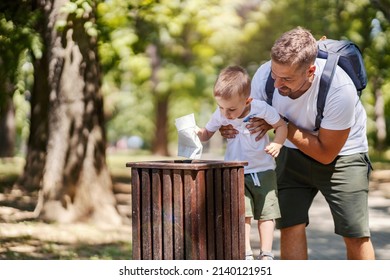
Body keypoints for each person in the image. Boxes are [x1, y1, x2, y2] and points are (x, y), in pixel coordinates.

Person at [220, 27, 375, 260]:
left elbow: (325, 153)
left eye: (287, 79)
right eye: (275, 74)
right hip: (291, 154)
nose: (278, 84)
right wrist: (228, 124)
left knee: (354, 233)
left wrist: (279, 124)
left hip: (343, 155)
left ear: (310, 71)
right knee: (290, 223)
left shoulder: (340, 90)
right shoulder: (264, 77)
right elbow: (248, 115)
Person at [196, 65, 287, 260]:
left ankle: (266, 253)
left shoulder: (260, 108)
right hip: (236, 171)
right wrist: (196, 132)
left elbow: (281, 125)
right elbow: (206, 134)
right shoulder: (221, 114)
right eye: (221, 107)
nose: (225, 114)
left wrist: (278, 144)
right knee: (242, 213)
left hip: (264, 170)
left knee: (266, 212)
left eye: (231, 109)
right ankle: (245, 252)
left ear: (247, 100)